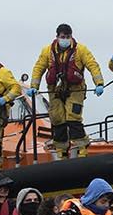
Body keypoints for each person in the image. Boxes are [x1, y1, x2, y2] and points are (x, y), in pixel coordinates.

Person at [27, 23, 105, 158]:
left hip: (75, 89)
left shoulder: (81, 50)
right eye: (63, 37)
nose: (65, 39)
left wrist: (99, 83)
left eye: (68, 37)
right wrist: (34, 87)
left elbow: (92, 65)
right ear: (57, 37)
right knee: (57, 119)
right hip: (55, 90)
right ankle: (61, 150)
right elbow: (39, 67)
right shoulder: (47, 51)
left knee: (73, 117)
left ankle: (82, 147)